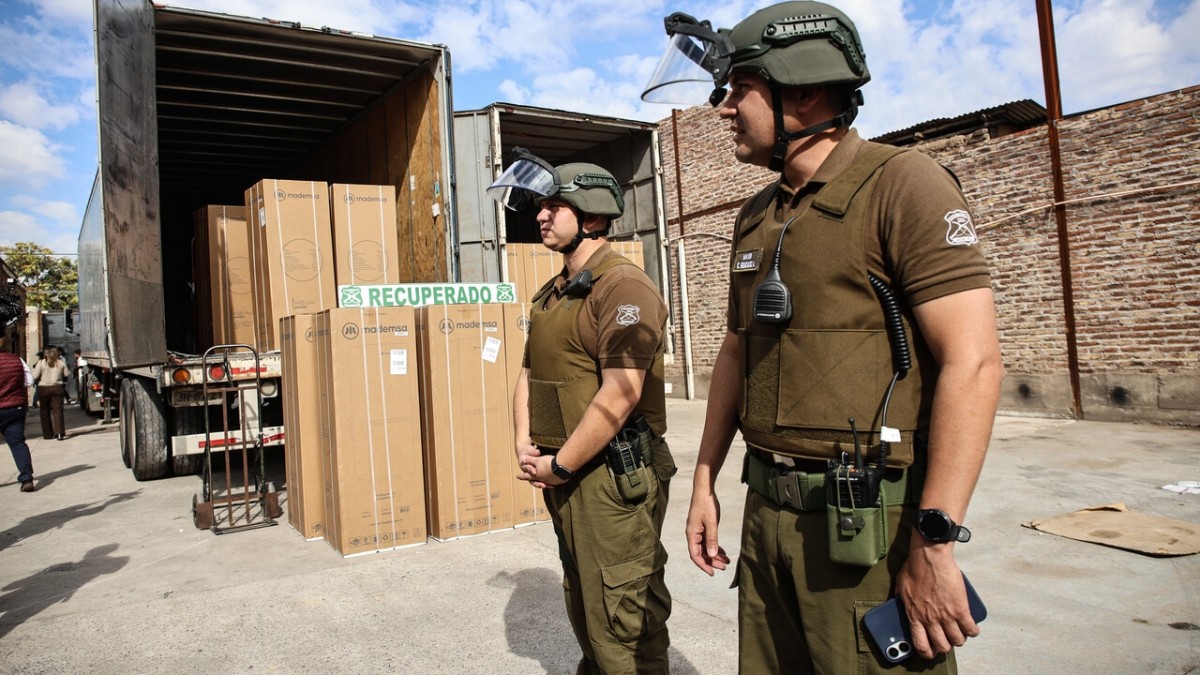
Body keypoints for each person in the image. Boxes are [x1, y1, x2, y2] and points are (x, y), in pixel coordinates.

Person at [643, 3, 1004, 673]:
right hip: (766, 517)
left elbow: (974, 362)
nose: (722, 109)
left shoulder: (903, 185)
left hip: (863, 526)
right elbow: (735, 349)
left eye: (737, 89)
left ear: (802, 91)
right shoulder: (756, 215)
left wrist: (934, 541)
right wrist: (704, 481)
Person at [489, 152, 678, 674]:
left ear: (592, 217)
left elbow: (620, 394)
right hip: (568, 474)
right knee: (584, 595)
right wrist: (526, 444)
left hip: (611, 478)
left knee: (623, 612)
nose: (541, 216)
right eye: (540, 207)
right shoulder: (551, 295)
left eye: (555, 206)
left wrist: (562, 465)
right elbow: (527, 375)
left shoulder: (623, 287)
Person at [1, 350, 35, 491]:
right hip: (15, 407)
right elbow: (29, 381)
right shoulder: (17, 359)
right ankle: (26, 478)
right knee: (17, 443)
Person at [32, 346, 71, 440]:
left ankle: (48, 434)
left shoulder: (41, 363)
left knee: (44, 411)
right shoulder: (60, 363)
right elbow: (67, 374)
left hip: (44, 388)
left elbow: (35, 375)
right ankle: (59, 433)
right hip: (58, 387)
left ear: (45, 353)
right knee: (57, 410)